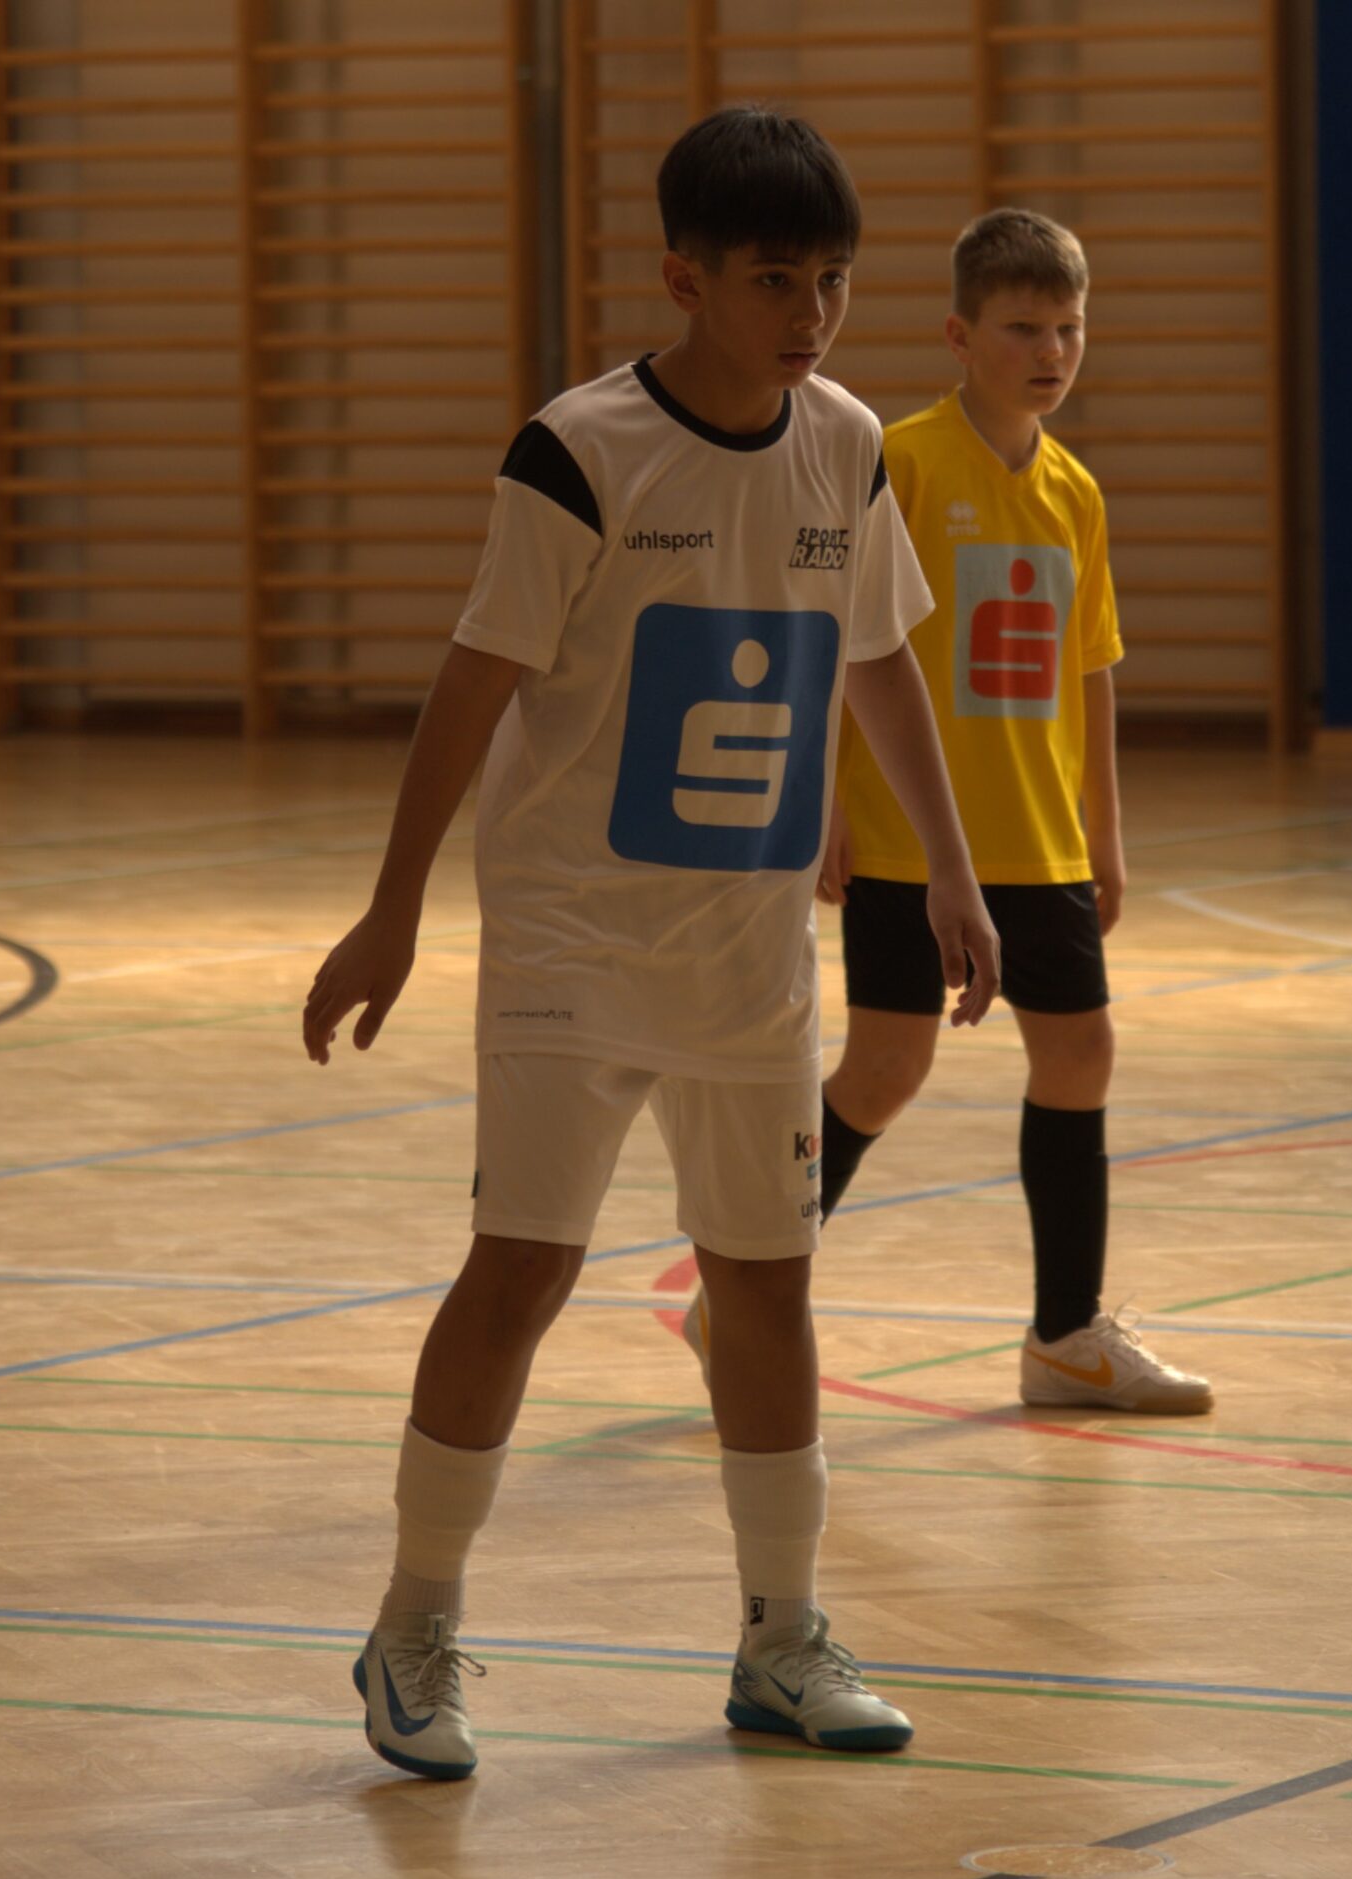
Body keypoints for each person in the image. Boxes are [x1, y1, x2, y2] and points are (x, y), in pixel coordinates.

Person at [300, 107, 1001, 1782]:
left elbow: (881, 660)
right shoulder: (579, 450)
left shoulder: (847, 445)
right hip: (572, 941)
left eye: (833, 283)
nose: (810, 315)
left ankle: (782, 1634)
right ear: (686, 279)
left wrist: (949, 872)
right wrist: (394, 907)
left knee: (767, 1280)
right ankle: (412, 1622)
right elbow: (474, 679)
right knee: (523, 1268)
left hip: (748, 952)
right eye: (774, 281)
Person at [684, 209, 1212, 1417]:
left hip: (1038, 840)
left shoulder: (1075, 492)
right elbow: (834, 638)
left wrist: (1104, 832)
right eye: (1022, 328)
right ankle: (738, 1291)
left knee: (1080, 1054)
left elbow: (1092, 668)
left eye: (1068, 329)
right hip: (912, 841)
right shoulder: (903, 464)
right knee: (884, 1067)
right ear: (959, 337)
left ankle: (1065, 1335)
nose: (1050, 351)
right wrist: (824, 797)